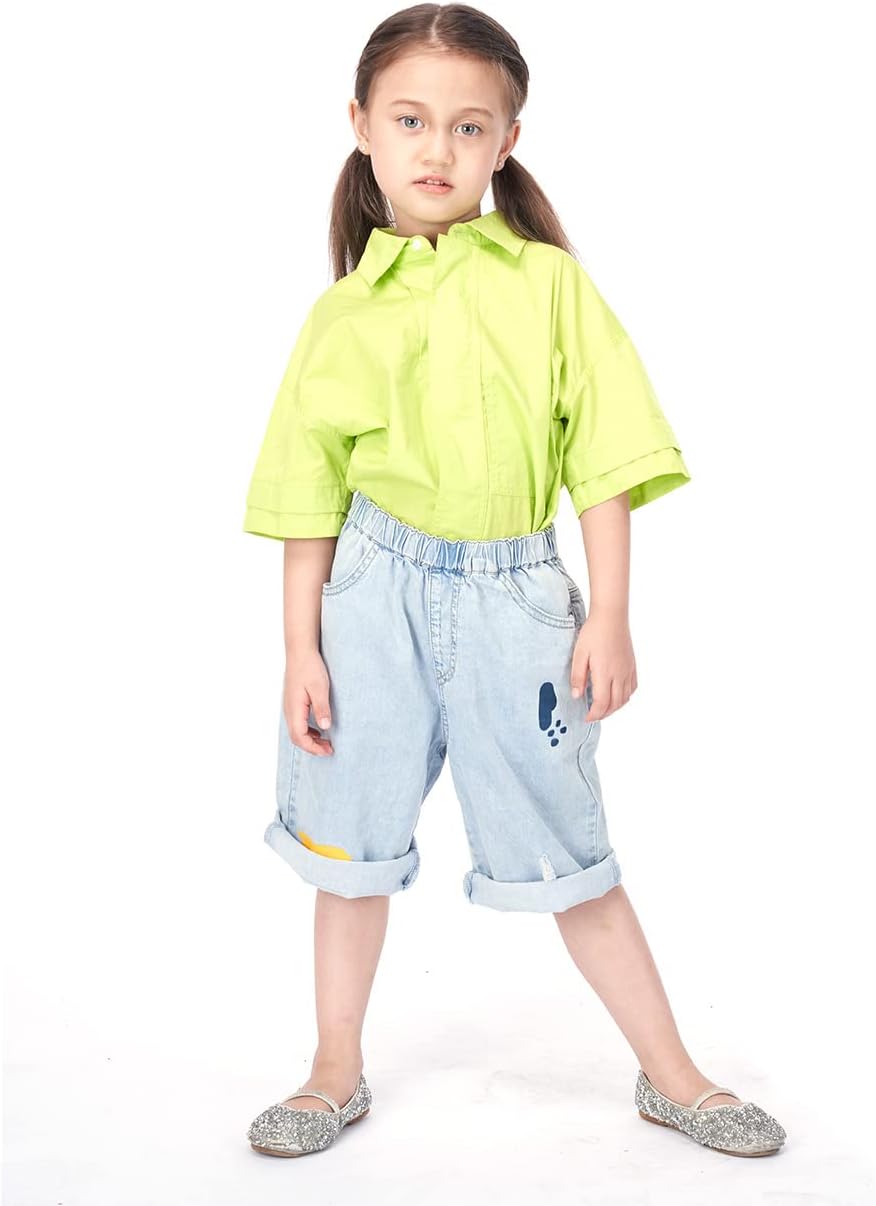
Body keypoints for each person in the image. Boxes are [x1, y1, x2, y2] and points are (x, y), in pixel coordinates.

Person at [242, 2, 787, 1161]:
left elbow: (606, 457)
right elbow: (306, 497)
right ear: (360, 124)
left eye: (467, 125)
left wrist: (611, 613)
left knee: (570, 848)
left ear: (507, 139)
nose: (436, 149)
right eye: (409, 120)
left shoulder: (549, 287)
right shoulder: (341, 314)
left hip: (515, 600)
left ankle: (673, 1076)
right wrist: (299, 649)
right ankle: (333, 1069)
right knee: (350, 849)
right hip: (370, 601)